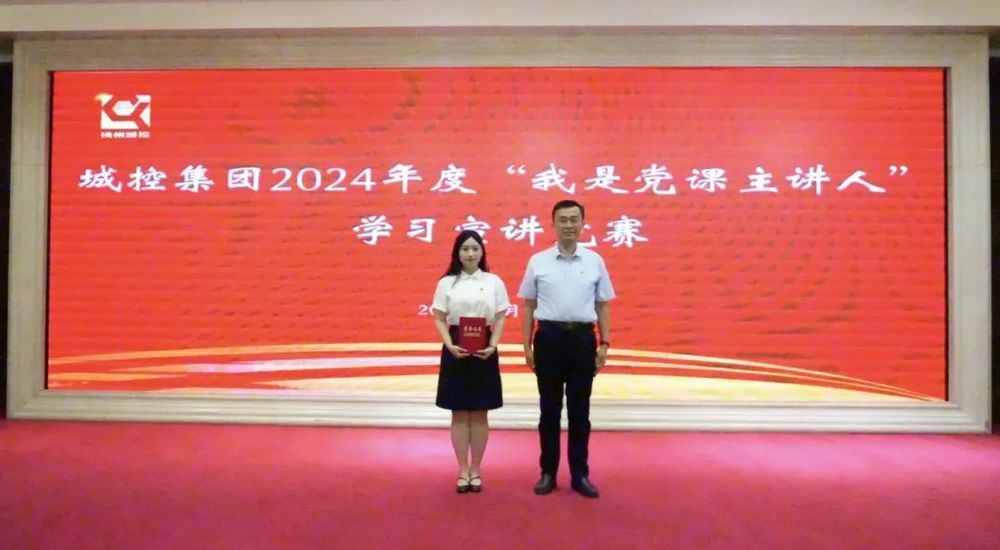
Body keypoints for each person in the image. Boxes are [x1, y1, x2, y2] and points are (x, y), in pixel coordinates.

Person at [518, 199, 615, 499]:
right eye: (563, 220)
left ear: (583, 224)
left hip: (582, 340)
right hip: (548, 339)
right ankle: (547, 472)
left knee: (580, 411)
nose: (569, 225)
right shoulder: (538, 261)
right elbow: (528, 305)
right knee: (549, 410)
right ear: (553, 224)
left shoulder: (594, 261)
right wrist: (526, 345)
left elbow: (602, 304)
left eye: (574, 219)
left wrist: (605, 342)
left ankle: (580, 474)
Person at [431, 229, 510, 494]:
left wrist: (493, 345)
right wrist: (448, 344)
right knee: (458, 412)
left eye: (475, 248)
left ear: (482, 252)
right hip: (455, 345)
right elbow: (439, 317)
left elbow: (500, 317)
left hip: (485, 346)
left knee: (479, 412)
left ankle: (476, 469)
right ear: (457, 253)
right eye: (465, 248)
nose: (470, 253)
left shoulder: (493, 281)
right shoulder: (447, 283)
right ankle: (462, 470)